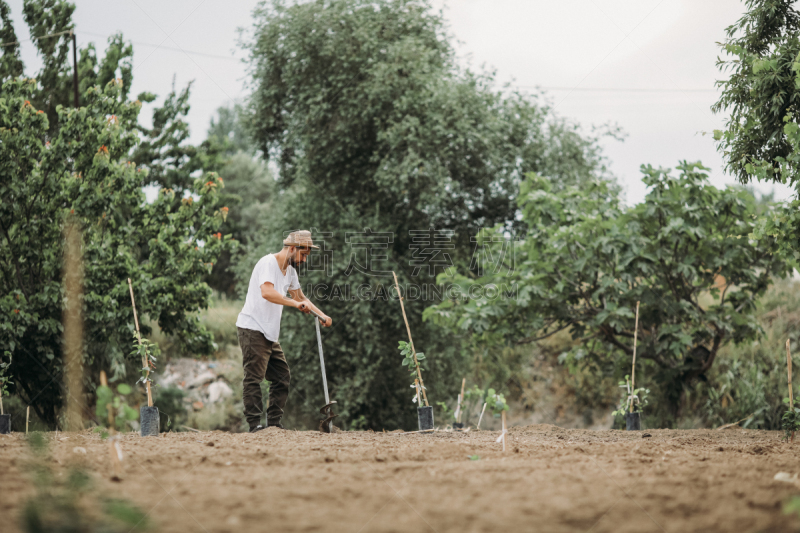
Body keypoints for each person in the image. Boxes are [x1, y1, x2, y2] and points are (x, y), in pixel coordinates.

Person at [236, 230, 332, 432]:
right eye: (303, 254)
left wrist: (322, 315)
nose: (304, 259)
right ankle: (255, 426)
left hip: (269, 332)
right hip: (252, 327)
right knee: (254, 378)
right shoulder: (268, 263)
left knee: (281, 376)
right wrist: (294, 304)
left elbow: (301, 298)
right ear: (291, 249)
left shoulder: (290, 272)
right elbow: (267, 292)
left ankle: (274, 425)